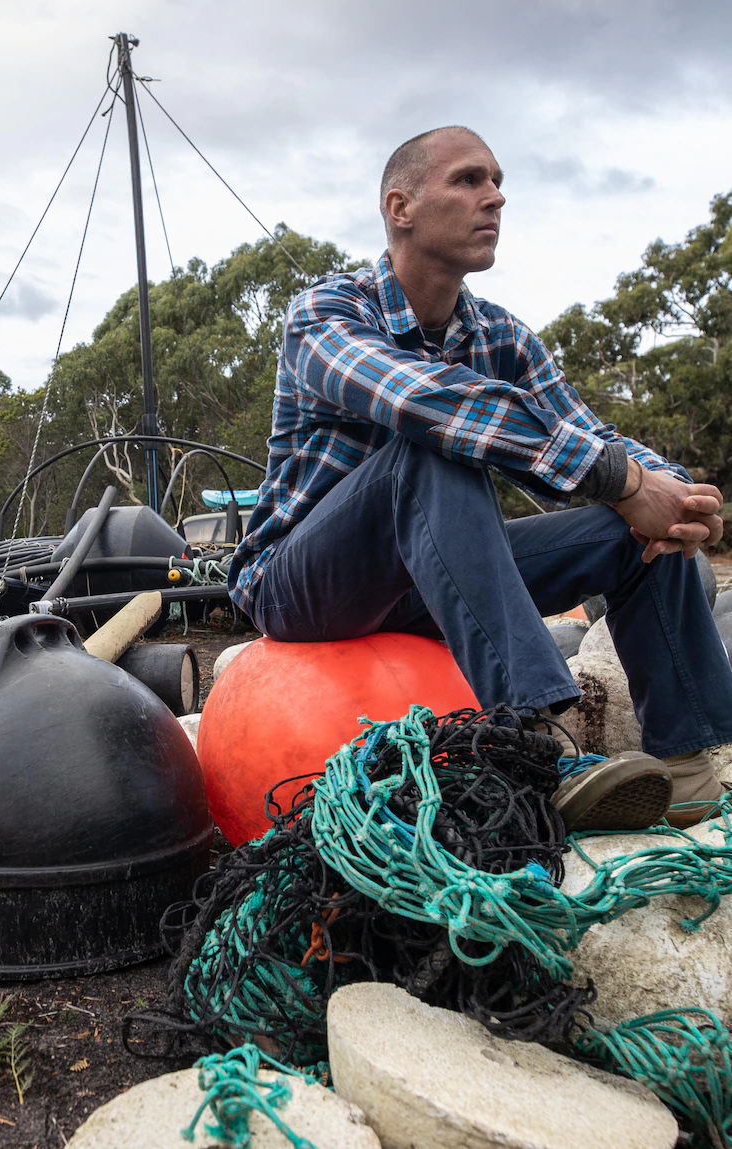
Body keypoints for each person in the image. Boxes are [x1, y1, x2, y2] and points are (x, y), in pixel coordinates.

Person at [227, 126, 732, 832]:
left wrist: (671, 495)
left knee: (630, 521)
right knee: (432, 446)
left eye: (497, 181)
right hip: (302, 583)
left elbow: (594, 440)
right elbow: (424, 403)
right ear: (400, 206)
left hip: (439, 577)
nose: (495, 197)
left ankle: (684, 767)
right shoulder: (327, 313)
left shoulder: (505, 337)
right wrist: (620, 476)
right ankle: (540, 740)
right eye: (469, 180)